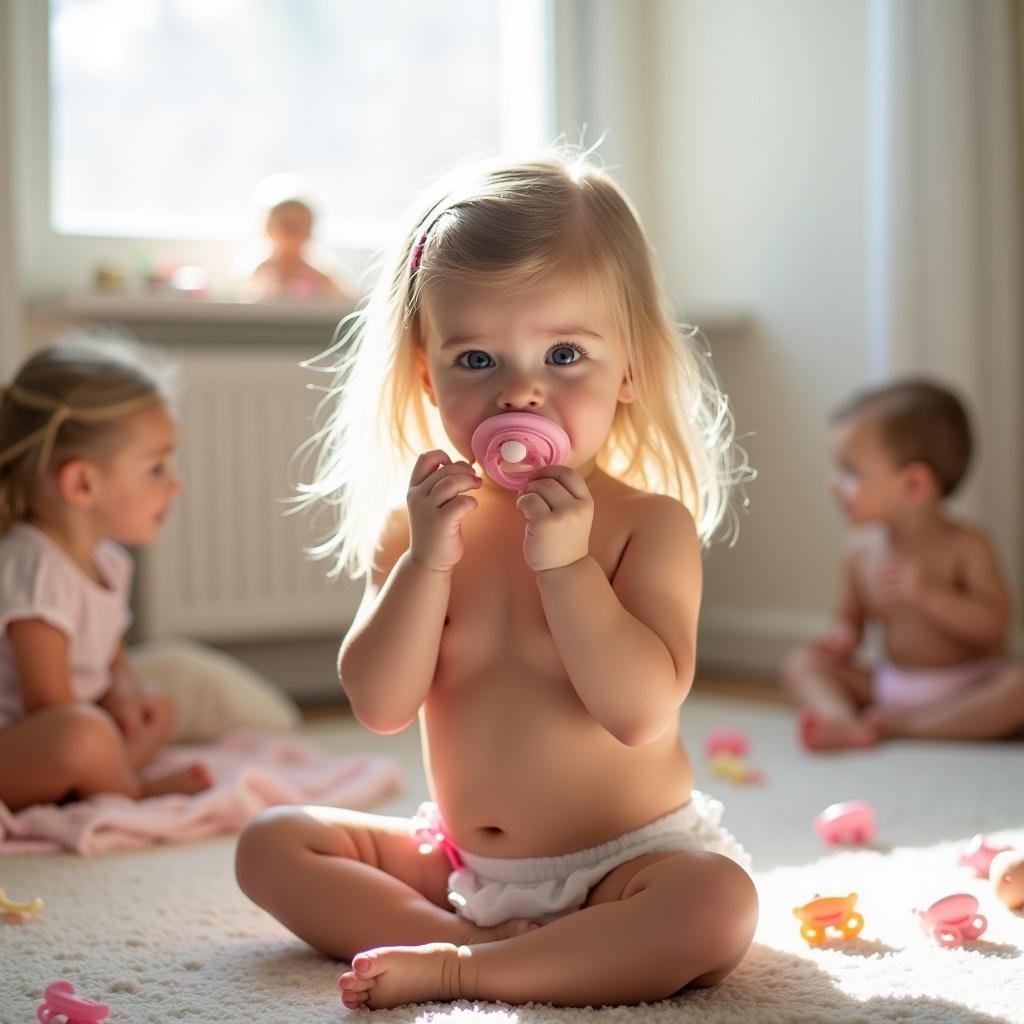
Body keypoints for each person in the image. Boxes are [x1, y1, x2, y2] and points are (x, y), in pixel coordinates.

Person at [234, 149, 757, 1010]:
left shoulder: (647, 526)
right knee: (270, 843)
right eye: (476, 361)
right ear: (423, 370)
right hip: (461, 863)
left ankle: (465, 968)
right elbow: (379, 703)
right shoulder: (419, 526)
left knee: (714, 906)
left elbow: (637, 711)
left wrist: (568, 567)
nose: (522, 394)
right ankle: (479, 936)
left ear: (629, 368)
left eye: (563, 354)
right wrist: (426, 563)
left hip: (624, 865)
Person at [0, 336, 211, 810]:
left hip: (68, 728)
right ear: (81, 483)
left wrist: (125, 691)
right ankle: (127, 787)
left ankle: (106, 772)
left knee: (160, 706)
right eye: (156, 468)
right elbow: (48, 706)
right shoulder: (34, 566)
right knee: (82, 733)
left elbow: (110, 657)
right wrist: (102, 724)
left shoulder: (108, 562)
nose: (174, 483)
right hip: (20, 741)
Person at [782, 379, 1024, 750]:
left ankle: (914, 729)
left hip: (966, 686)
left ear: (913, 484)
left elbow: (995, 626)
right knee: (801, 664)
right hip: (891, 683)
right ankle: (842, 720)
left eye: (850, 472)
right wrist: (841, 637)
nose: (835, 485)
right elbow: (851, 619)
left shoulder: (966, 546)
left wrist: (930, 595)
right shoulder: (859, 551)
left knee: (1018, 686)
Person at [247, 196, 357, 302]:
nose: (293, 231)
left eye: (300, 225)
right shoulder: (257, 274)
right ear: (268, 228)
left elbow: (349, 304)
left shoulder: (322, 279)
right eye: (286, 224)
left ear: (310, 231)